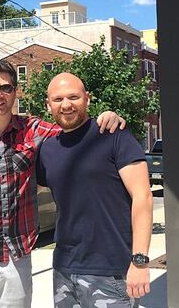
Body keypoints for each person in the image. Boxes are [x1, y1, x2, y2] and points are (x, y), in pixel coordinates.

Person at [0, 59, 125, 307]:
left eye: (6, 88)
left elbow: (74, 128)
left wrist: (104, 118)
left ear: (15, 91)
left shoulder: (33, 130)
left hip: (17, 261)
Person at [38, 72, 153, 307]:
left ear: (87, 99)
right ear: (48, 105)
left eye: (74, 97)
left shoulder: (113, 135)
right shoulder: (47, 150)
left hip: (110, 272)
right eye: (58, 99)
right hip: (64, 270)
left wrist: (140, 261)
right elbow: (30, 190)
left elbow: (143, 196)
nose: (66, 105)